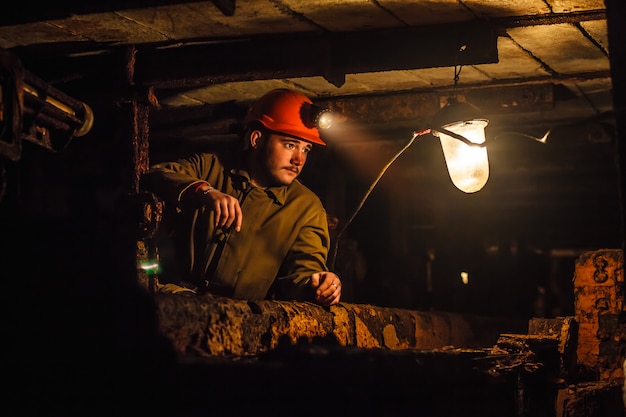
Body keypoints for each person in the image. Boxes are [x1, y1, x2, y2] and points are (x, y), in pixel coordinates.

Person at [141, 88, 341, 306]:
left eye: (306, 149)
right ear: (257, 139)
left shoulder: (306, 208)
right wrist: (204, 192)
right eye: (290, 145)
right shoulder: (212, 168)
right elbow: (157, 173)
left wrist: (319, 284)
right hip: (171, 300)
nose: (298, 160)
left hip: (239, 317)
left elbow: (304, 270)